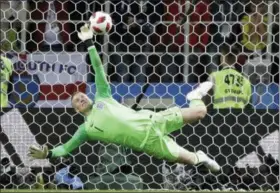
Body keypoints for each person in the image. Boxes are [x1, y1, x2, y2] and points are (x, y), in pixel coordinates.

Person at [28, 24, 220, 172]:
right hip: (149, 143)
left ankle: (194, 95)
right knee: (191, 160)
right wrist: (49, 153)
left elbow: (97, 68)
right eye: (77, 101)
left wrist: (89, 42)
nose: (82, 99)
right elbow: (65, 148)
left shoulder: (103, 97)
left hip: (153, 119)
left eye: (83, 95)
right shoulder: (86, 129)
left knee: (200, 112)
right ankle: (200, 157)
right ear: (77, 110)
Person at [205, 44, 251, 109]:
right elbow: (248, 105)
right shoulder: (245, 80)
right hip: (240, 116)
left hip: (219, 115)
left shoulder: (214, 76)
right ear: (236, 59)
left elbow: (207, 100)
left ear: (223, 58)